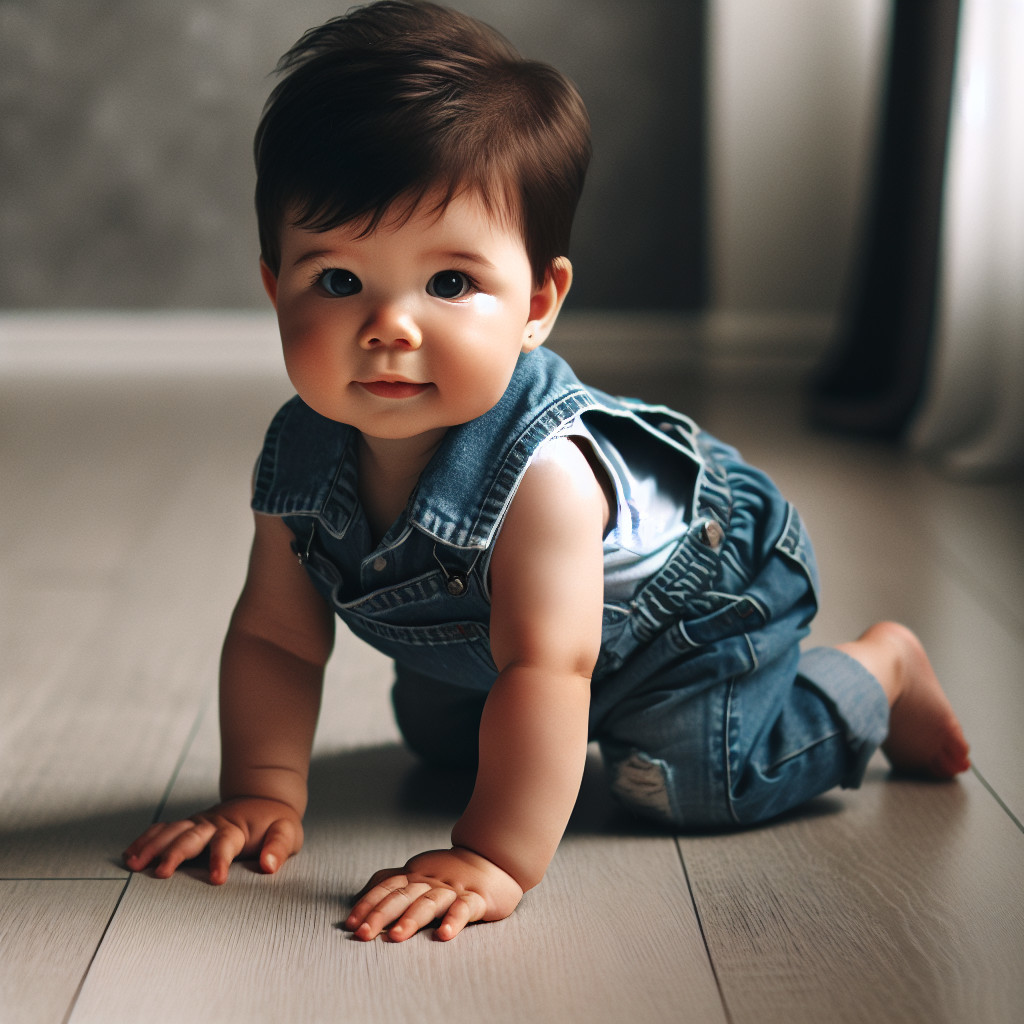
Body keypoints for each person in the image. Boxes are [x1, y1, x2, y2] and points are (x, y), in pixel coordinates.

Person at [123, 0, 970, 943]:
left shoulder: (544, 479)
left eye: (450, 284)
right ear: (274, 282)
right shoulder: (300, 452)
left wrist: (492, 855)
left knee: (693, 781)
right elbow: (279, 636)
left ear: (537, 302)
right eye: (336, 280)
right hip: (516, 644)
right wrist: (259, 792)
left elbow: (551, 666)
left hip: (694, 615)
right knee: (442, 737)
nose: (389, 326)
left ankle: (875, 672)